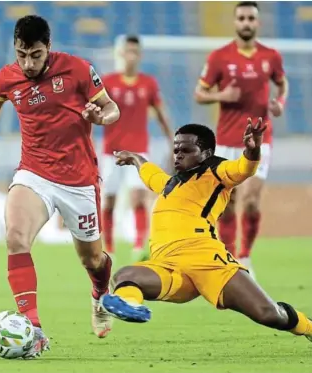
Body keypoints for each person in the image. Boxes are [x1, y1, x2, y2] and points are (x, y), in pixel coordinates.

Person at [0, 15, 120, 357]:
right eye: (21, 54)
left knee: (92, 260)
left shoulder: (78, 69)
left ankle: (100, 293)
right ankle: (34, 327)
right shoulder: (6, 77)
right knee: (15, 238)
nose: (28, 63)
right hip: (34, 173)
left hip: (79, 180)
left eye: (36, 55)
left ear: (49, 47)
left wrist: (99, 118)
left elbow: (111, 108)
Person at [98, 118, 312, 344]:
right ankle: (130, 306)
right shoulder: (169, 184)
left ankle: (308, 326)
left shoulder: (216, 172)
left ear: (206, 152)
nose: (178, 155)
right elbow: (150, 174)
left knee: (268, 314)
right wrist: (134, 158)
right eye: (176, 150)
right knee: (124, 276)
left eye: (186, 150)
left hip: (208, 262)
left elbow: (243, 168)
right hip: (168, 266)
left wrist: (253, 149)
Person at [194, 1, 288, 278]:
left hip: (260, 139)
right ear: (235, 22)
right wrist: (222, 96)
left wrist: (280, 102)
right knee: (229, 202)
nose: (246, 22)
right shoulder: (219, 57)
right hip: (225, 140)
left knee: (251, 200)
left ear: (257, 22)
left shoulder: (271, 56)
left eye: (251, 18)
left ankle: (245, 257)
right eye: (242, 18)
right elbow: (200, 93)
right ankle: (229, 257)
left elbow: (282, 83)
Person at [101, 35, 173, 262]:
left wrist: (173, 140)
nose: (130, 55)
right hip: (110, 151)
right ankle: (109, 248)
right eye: (127, 51)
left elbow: (161, 114)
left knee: (138, 197)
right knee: (108, 200)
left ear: (139, 55)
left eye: (135, 51)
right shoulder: (108, 82)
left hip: (139, 151)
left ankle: (139, 246)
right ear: (121, 54)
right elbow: (95, 110)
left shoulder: (148, 83)